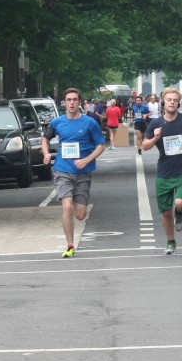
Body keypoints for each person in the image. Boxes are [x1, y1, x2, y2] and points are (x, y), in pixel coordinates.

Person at [41, 88, 106, 258]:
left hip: (83, 172)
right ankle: (70, 245)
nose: (71, 103)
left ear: (79, 102)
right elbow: (45, 139)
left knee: (80, 214)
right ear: (64, 102)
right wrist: (46, 153)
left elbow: (101, 145)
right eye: (68, 99)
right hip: (63, 169)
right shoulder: (57, 122)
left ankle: (72, 238)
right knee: (67, 206)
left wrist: (87, 160)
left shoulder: (90, 123)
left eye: (75, 100)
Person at [142, 88, 182, 255]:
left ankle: (180, 212)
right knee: (165, 212)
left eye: (175, 100)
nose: (171, 102)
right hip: (164, 172)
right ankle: (170, 241)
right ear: (164, 102)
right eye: (169, 100)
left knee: (180, 203)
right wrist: (155, 138)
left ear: (179, 103)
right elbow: (144, 146)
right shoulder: (156, 123)